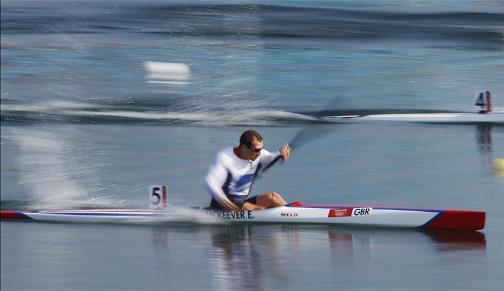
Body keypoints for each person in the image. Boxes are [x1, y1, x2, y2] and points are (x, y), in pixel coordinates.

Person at [205, 130, 291, 211]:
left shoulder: (259, 155)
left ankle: (293, 212)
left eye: (261, 149)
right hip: (225, 203)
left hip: (242, 202)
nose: (259, 153)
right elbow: (210, 182)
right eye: (257, 150)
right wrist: (223, 200)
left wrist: (281, 154)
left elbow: (272, 158)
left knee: (273, 197)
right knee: (258, 209)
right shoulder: (225, 158)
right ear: (244, 148)